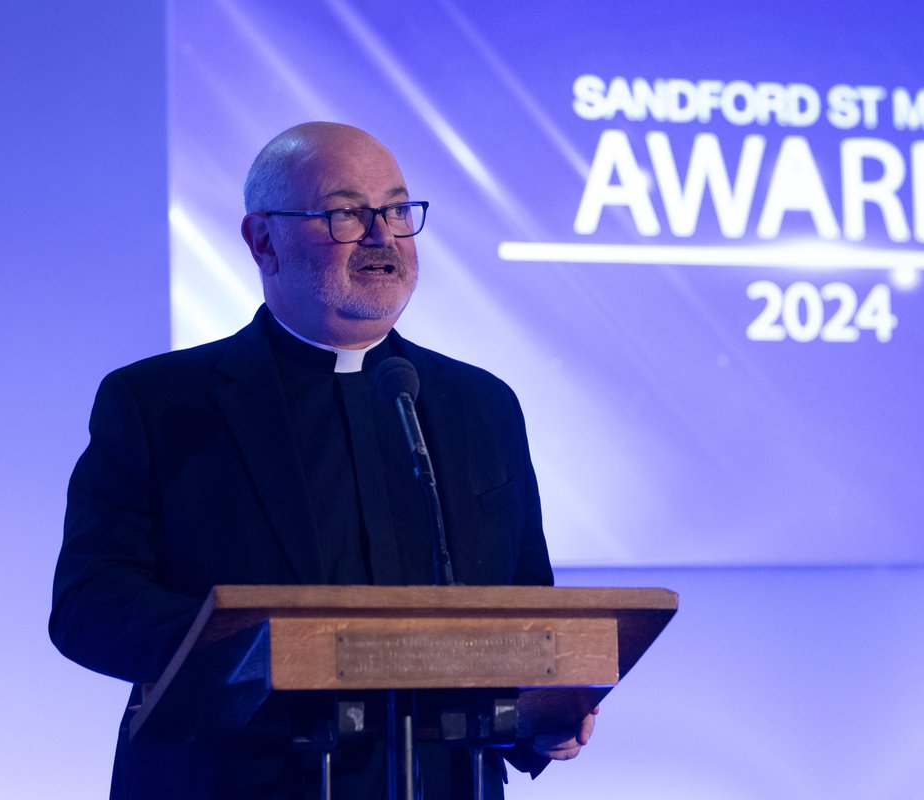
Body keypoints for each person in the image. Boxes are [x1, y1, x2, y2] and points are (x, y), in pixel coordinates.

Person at [50, 121, 595, 799]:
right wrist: (255, 650)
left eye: (396, 210)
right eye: (344, 213)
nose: (382, 236)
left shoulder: (480, 405)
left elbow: (523, 602)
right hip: (231, 781)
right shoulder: (161, 403)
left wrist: (544, 713)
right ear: (262, 241)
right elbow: (89, 604)